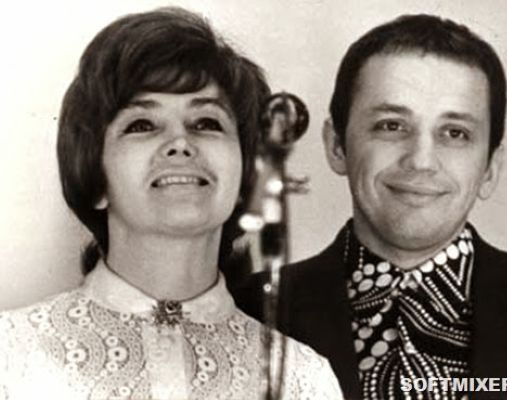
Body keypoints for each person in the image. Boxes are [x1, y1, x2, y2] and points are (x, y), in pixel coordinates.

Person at [0, 8, 343, 400]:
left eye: (207, 123)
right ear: (95, 177)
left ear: (246, 175)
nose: (180, 143)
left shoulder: (303, 380)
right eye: (142, 125)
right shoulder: (10, 356)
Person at [235, 14, 507, 400]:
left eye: (456, 133)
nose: (421, 161)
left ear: (490, 169)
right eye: (391, 126)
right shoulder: (247, 310)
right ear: (337, 145)